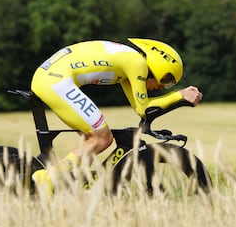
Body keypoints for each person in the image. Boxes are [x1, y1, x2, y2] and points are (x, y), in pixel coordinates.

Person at [30, 38, 203, 187]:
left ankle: (71, 185)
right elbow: (144, 108)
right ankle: (48, 179)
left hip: (50, 78)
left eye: (169, 85)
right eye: (167, 80)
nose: (161, 87)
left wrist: (177, 97)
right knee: (103, 138)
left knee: (92, 140)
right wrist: (179, 94)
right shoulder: (137, 63)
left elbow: (140, 108)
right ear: (158, 65)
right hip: (56, 80)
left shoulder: (129, 64)